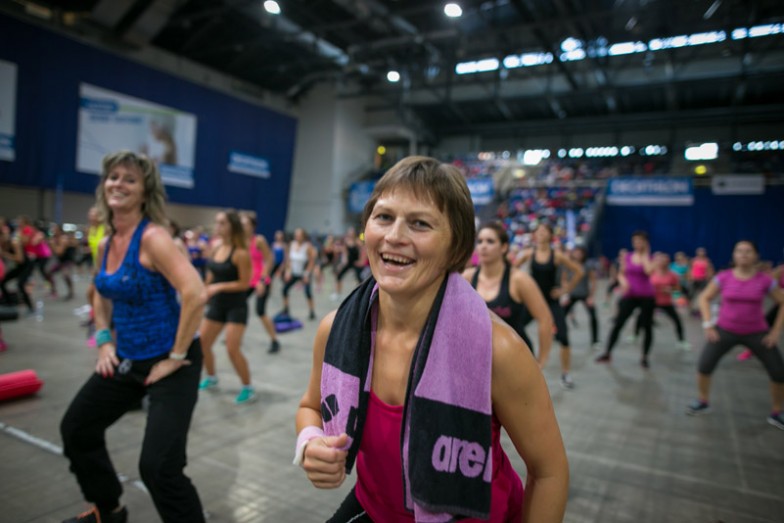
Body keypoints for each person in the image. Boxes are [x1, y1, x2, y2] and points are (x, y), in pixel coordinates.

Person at [294, 156, 569, 522]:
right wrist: (309, 441)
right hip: (376, 506)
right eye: (384, 217)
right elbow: (310, 407)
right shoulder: (336, 330)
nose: (394, 237)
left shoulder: (497, 350)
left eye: (420, 223)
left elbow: (549, 473)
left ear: (456, 247)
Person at [59, 150, 206, 523]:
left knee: (158, 467)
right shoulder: (106, 243)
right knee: (77, 428)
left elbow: (195, 293)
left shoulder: (153, 238)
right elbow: (100, 292)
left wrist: (175, 357)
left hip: (173, 362)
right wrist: (104, 339)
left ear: (145, 191)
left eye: (129, 179)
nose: (118, 184)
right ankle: (108, 510)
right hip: (127, 357)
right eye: (113, 177)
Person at [686, 240, 784, 430]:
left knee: (779, 372)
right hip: (725, 331)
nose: (744, 254)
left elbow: (782, 301)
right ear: (734, 255)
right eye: (739, 251)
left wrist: (775, 331)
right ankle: (703, 401)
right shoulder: (724, 277)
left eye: (748, 251)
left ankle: (777, 412)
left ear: (756, 256)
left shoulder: (765, 280)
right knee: (704, 366)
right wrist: (708, 325)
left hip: (757, 332)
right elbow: (704, 297)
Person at [463, 221, 554, 366]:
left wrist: (541, 361)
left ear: (504, 247)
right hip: (479, 360)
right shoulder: (467, 278)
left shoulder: (519, 280)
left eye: (490, 241)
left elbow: (545, 319)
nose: (483, 246)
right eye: (479, 241)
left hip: (516, 360)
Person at [514, 223, 584, 388]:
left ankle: (565, 374)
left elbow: (579, 271)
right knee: (514, 330)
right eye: (538, 231)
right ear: (534, 235)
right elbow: (510, 270)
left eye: (544, 231)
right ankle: (522, 366)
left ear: (550, 235)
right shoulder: (529, 254)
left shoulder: (557, 255)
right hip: (532, 301)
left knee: (564, 337)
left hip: (551, 302)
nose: (541, 233)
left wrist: (565, 290)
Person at [197, 210, 256, 404]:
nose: (217, 226)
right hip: (216, 304)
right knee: (203, 344)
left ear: (232, 226)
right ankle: (211, 376)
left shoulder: (240, 253)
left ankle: (248, 387)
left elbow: (244, 284)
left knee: (232, 348)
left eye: (222, 223)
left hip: (235, 307)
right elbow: (211, 274)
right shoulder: (216, 247)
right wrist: (204, 290)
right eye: (217, 222)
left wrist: (218, 287)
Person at [596, 231, 656, 367]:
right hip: (630, 296)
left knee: (647, 327)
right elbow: (621, 274)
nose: (637, 243)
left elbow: (648, 271)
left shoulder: (650, 258)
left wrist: (645, 254)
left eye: (640, 241)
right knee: (618, 324)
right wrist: (623, 282)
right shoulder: (628, 256)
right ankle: (607, 353)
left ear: (645, 242)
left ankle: (645, 357)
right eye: (635, 241)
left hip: (646, 296)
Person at [241, 212, 280, 354]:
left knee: (260, 311)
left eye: (245, 224)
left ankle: (275, 340)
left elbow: (269, 259)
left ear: (252, 226)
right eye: (241, 224)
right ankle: (235, 336)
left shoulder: (258, 240)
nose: (242, 226)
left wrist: (262, 280)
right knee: (238, 307)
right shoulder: (239, 241)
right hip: (246, 282)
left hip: (261, 281)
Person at [633, 252, 689, 350]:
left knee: (677, 320)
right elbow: (643, 284)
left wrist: (670, 290)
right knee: (640, 317)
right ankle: (635, 335)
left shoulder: (672, 275)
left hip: (666, 302)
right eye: (660, 260)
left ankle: (681, 341)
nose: (662, 263)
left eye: (664, 261)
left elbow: (677, 289)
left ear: (668, 262)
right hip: (652, 301)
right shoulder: (651, 273)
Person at [562, 246, 600, 349]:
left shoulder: (587, 266)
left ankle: (595, 340)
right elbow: (564, 280)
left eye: (580, 253)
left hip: (585, 294)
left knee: (593, 316)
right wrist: (565, 294)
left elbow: (593, 281)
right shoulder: (569, 264)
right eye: (576, 252)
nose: (578, 255)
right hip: (572, 294)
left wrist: (591, 296)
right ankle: (558, 335)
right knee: (560, 315)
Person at [281, 227, 317, 321]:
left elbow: (311, 262)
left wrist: (307, 274)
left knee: (308, 292)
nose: (297, 236)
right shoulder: (292, 244)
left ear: (303, 236)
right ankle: (286, 308)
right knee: (284, 290)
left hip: (304, 273)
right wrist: (288, 271)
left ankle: (312, 311)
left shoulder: (307, 246)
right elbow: (289, 260)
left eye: (299, 235)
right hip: (294, 272)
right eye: (296, 235)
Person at [333, 227, 366, 299]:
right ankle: (337, 294)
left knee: (360, 279)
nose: (350, 234)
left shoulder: (357, 241)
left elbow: (363, 250)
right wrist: (342, 264)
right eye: (349, 233)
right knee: (339, 275)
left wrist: (361, 261)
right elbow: (345, 253)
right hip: (348, 262)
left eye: (352, 233)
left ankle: (362, 295)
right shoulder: (346, 241)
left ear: (354, 234)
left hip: (356, 262)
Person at [48, 224, 77, 301]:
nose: (53, 231)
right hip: (60, 261)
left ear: (59, 231)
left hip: (67, 261)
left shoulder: (63, 239)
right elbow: (52, 252)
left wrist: (53, 245)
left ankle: (71, 292)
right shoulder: (54, 239)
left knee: (66, 275)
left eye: (55, 230)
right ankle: (53, 291)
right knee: (49, 273)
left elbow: (59, 252)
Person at [688, 247, 714, 315]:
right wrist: (690, 277)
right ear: (697, 253)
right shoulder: (694, 260)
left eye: (703, 251)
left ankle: (703, 310)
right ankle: (690, 309)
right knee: (691, 295)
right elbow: (690, 269)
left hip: (703, 280)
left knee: (704, 295)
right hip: (695, 280)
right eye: (700, 251)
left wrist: (709, 278)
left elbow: (709, 270)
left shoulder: (707, 261)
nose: (701, 253)